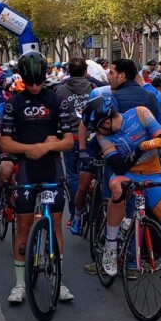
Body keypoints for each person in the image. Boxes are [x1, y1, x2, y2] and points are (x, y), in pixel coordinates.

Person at [82, 94, 161, 311]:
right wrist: (143, 147)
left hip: (154, 177)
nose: (95, 133)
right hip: (127, 176)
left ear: (106, 121)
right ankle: (110, 247)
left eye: (96, 127)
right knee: (116, 185)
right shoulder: (103, 138)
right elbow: (118, 166)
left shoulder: (140, 113)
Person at [0, 50, 74, 306]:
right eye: (29, 82)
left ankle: (59, 280)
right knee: (23, 225)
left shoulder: (57, 100)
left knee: (54, 223)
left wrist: (47, 147)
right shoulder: (13, 103)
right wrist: (30, 149)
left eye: (38, 81)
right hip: (27, 170)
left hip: (51, 167)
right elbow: (4, 141)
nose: (33, 86)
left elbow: (69, 141)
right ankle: (20, 283)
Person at [55, 57, 94, 221]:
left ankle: (74, 213)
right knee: (91, 174)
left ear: (68, 72)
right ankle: (93, 210)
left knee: (72, 176)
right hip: (91, 138)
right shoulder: (93, 88)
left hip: (70, 137)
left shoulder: (61, 90)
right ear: (85, 72)